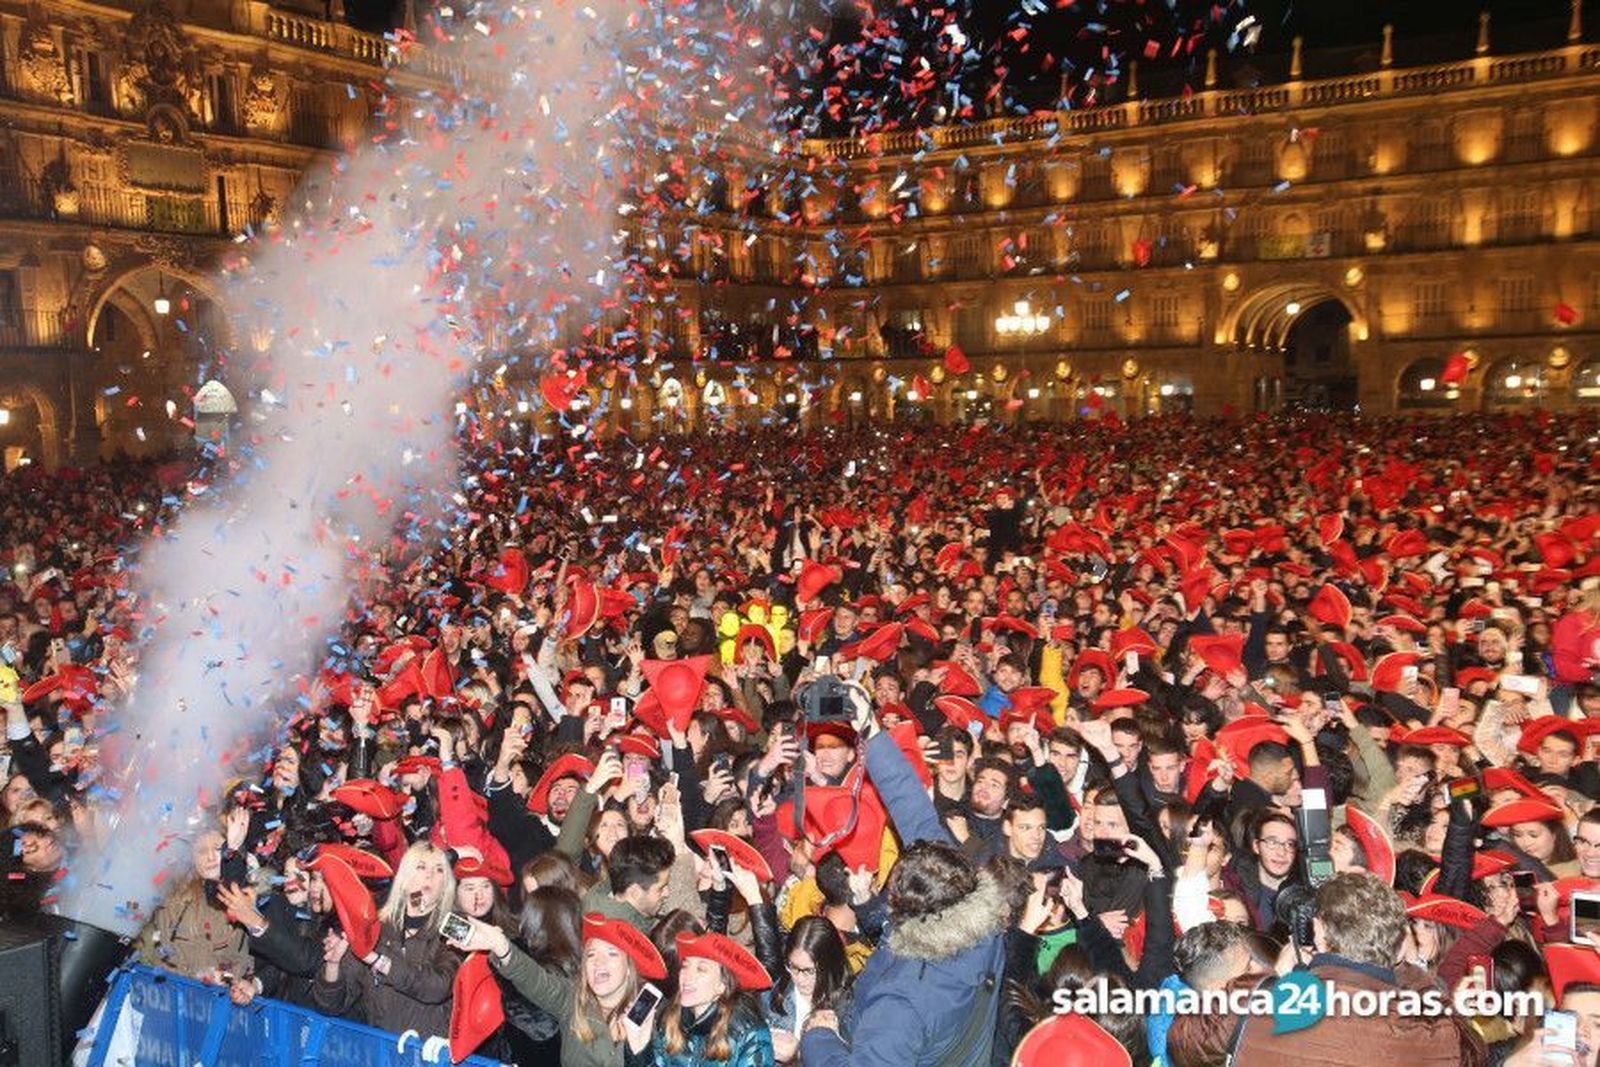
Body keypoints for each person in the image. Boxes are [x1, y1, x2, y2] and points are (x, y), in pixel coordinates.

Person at [1230, 871, 1484, 1066]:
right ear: (1399, 946)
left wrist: (1277, 980)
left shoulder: (1249, 1001)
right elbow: (1473, 1051)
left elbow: (1204, 1035)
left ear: (1318, 931)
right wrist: (1412, 971)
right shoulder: (1427, 1035)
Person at [450, 907, 666, 1067]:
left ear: (629, 969)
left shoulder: (648, 1021)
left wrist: (639, 1055)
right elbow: (535, 980)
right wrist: (500, 945)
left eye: (612, 954)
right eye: (591, 955)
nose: (598, 962)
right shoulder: (573, 1000)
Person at [313, 840, 460, 1037]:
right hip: (381, 1048)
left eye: (439, 869)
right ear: (405, 877)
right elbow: (329, 1005)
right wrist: (333, 964)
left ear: (446, 883)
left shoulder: (457, 925)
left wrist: (380, 961)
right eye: (421, 867)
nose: (430, 875)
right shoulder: (375, 925)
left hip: (429, 1050)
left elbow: (437, 987)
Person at [621, 929, 775, 1066]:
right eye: (685, 966)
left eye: (701, 969)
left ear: (722, 986)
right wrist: (639, 1049)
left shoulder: (750, 1034)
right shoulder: (670, 1019)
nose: (687, 976)